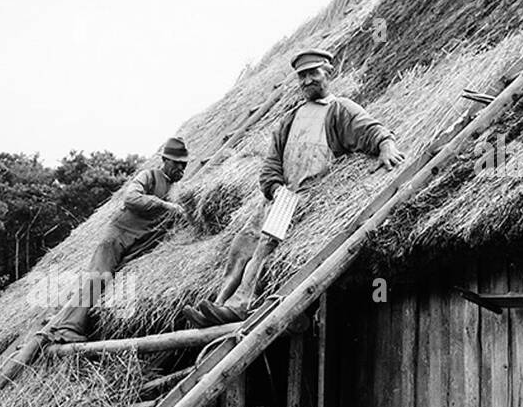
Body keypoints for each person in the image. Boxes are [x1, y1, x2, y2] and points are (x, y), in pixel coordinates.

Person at [186, 49, 405, 326]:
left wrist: (386, 145)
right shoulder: (289, 119)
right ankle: (217, 305)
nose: (307, 81)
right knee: (243, 242)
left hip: (306, 196)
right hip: (280, 195)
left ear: (328, 73)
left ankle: (240, 304)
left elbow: (370, 128)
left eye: (313, 73)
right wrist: (274, 188)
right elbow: (271, 164)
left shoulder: (340, 109)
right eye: (302, 76)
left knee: (267, 240)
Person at [46, 137, 191, 343]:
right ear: (165, 160)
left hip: (138, 242)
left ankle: (69, 320)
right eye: (177, 163)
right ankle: (67, 327)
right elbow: (131, 198)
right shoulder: (148, 176)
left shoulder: (173, 189)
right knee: (99, 276)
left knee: (112, 281)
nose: (181, 169)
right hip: (118, 235)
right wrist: (164, 205)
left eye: (184, 165)